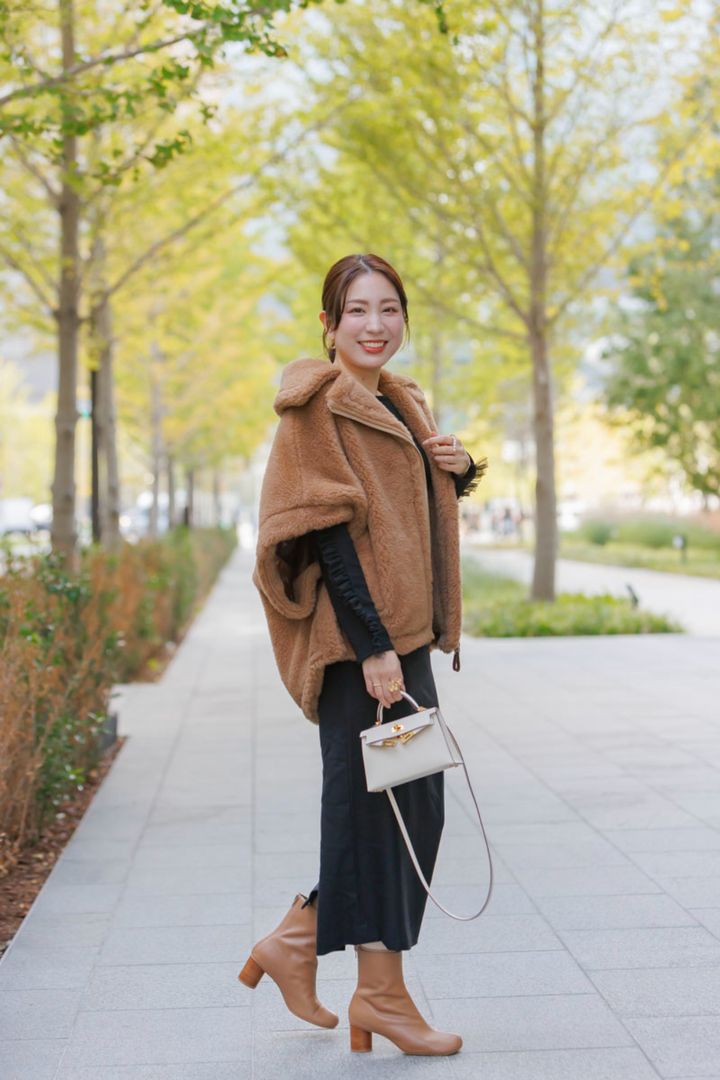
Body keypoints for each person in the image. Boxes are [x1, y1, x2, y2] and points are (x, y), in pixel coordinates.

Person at [241, 253, 486, 1055]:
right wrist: (373, 649)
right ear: (329, 324)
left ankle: (298, 941)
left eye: (389, 309)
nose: (375, 325)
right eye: (357, 311)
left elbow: (405, 507)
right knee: (374, 814)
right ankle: (380, 995)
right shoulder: (316, 408)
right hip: (359, 651)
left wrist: (461, 469)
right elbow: (327, 535)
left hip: (402, 641)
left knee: (410, 808)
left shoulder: (399, 400)